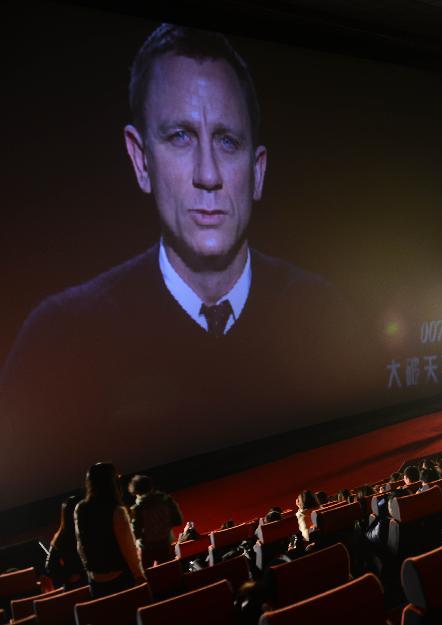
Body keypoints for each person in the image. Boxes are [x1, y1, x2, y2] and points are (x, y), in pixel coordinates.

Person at [0, 24, 356, 510]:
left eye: (227, 141)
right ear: (140, 159)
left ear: (257, 170)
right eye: (181, 136)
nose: (207, 174)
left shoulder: (323, 311)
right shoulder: (58, 339)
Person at [75, 463, 145, 597]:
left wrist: (90, 569)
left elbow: (80, 545)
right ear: (112, 482)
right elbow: (127, 547)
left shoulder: (80, 508)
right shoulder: (117, 510)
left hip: (95, 578)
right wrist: (139, 575)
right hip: (120, 577)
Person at [128, 475, 183, 568]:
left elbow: (136, 533)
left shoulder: (137, 509)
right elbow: (178, 520)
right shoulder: (166, 500)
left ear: (136, 491)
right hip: (165, 544)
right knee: (169, 572)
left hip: (147, 548)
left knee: (148, 575)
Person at [45, 495, 87, 590]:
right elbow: (50, 566)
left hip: (90, 578)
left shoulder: (86, 529)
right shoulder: (61, 538)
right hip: (77, 585)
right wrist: (67, 577)